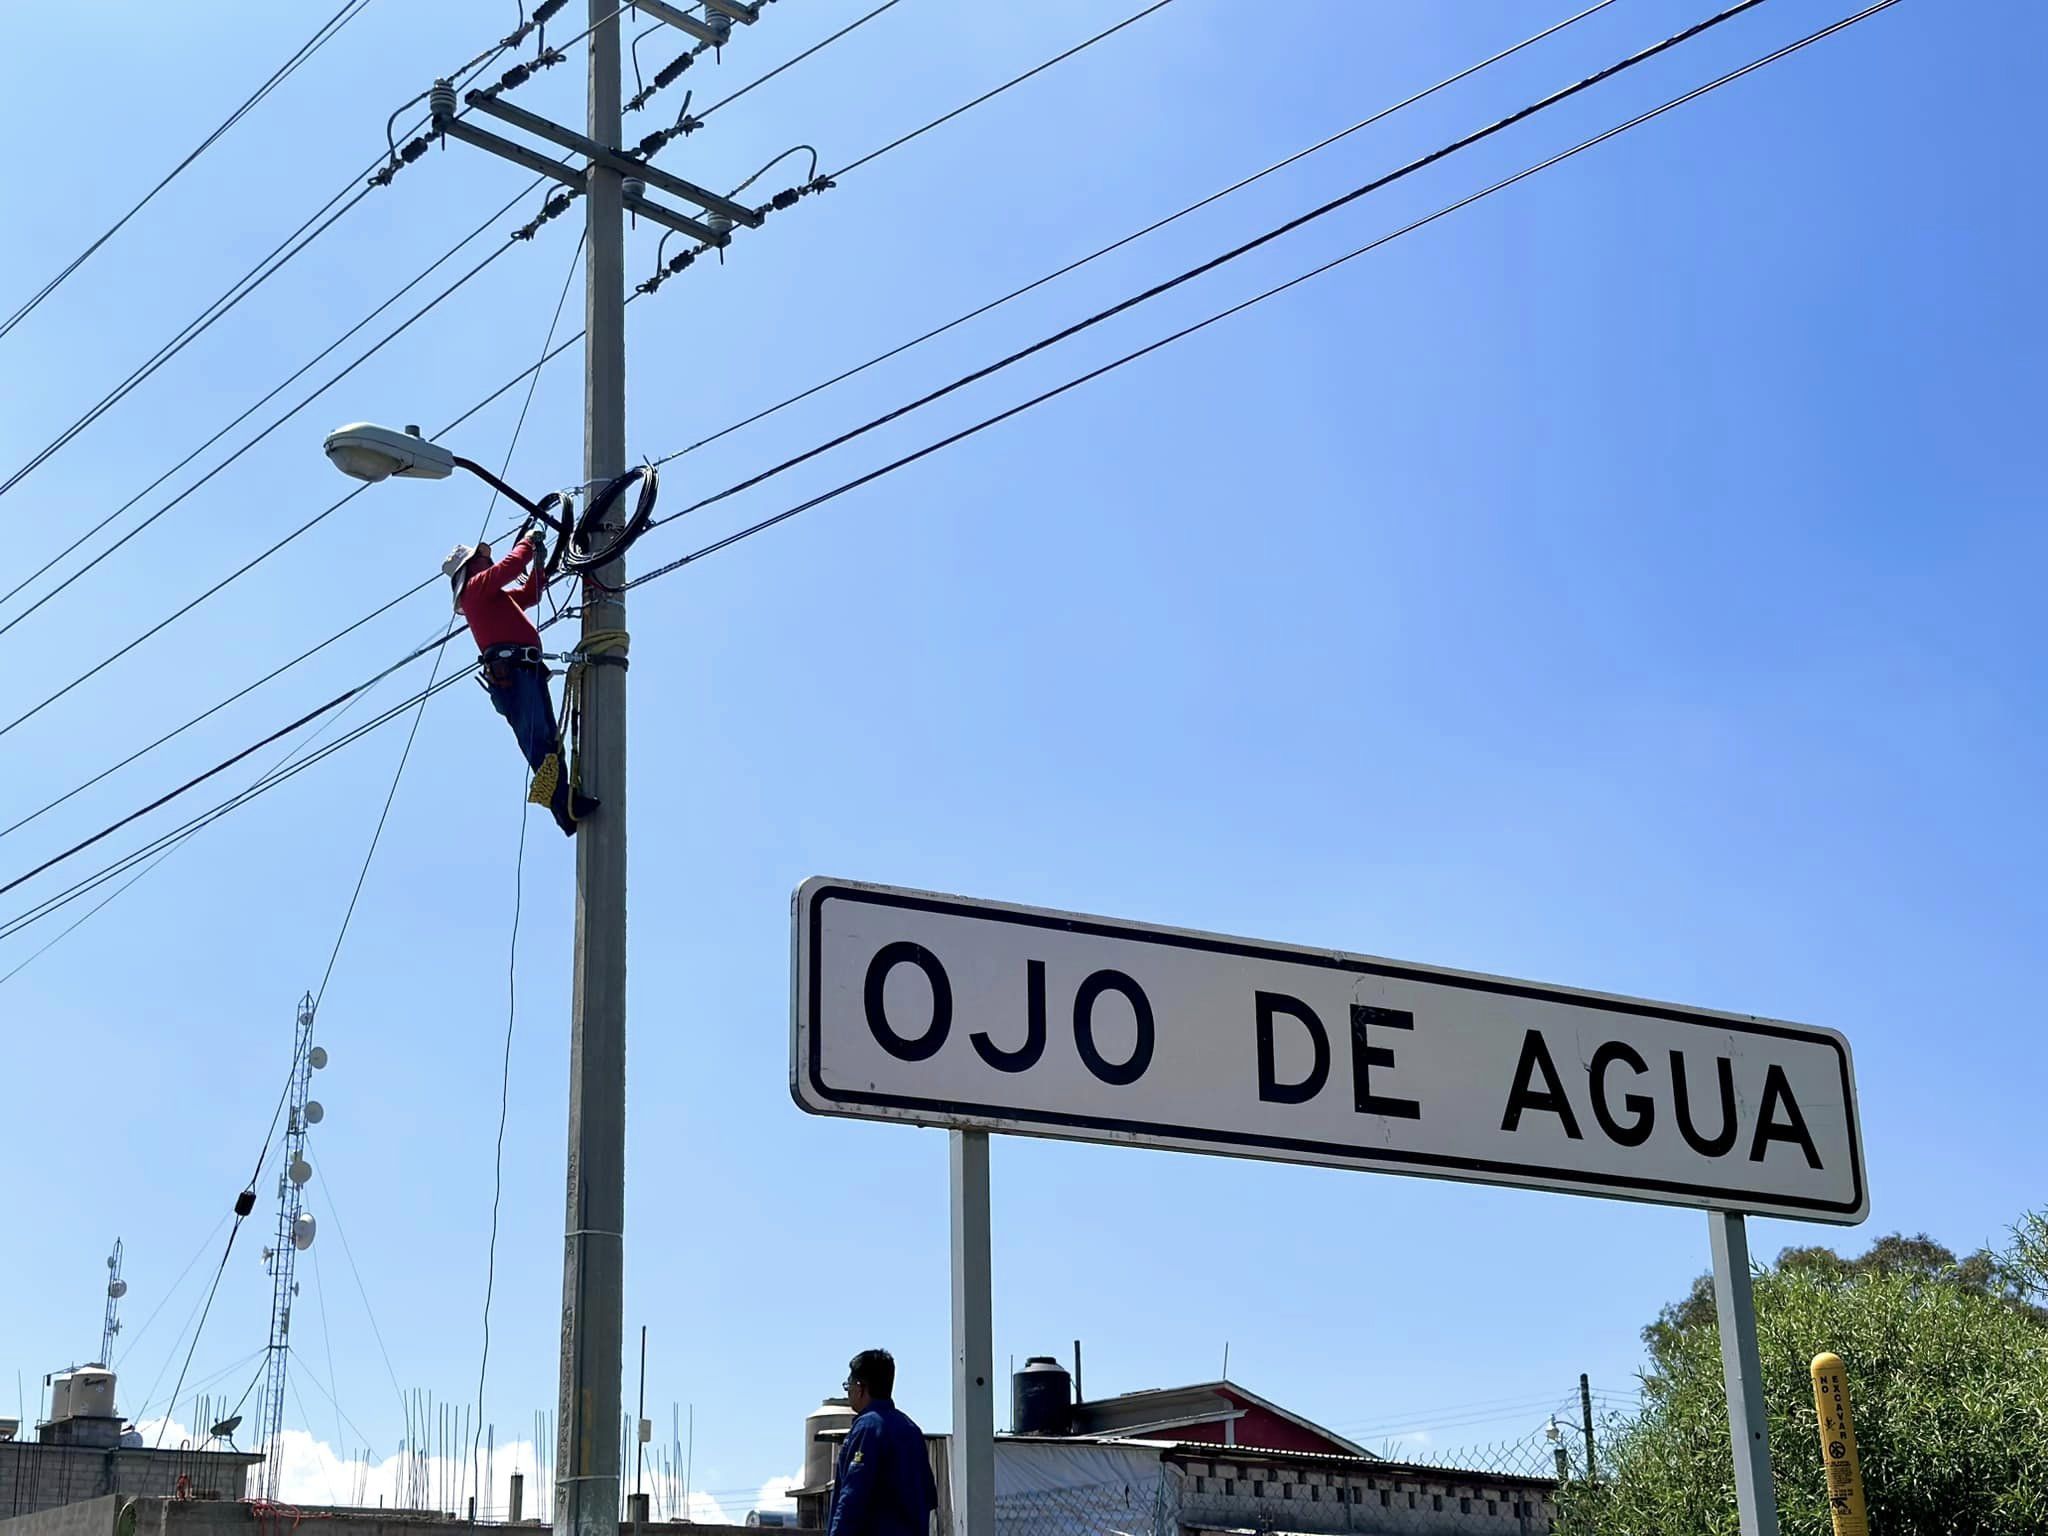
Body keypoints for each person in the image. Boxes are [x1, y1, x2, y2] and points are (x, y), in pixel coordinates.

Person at [444, 527, 598, 836]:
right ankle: (564, 808)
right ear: (469, 568)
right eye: (481, 560)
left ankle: (566, 806)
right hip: (512, 674)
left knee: (548, 740)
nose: (487, 563)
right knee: (540, 740)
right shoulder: (475, 590)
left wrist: (538, 562)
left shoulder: (492, 597)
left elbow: (530, 593)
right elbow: (510, 567)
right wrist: (529, 542)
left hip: (524, 671)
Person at [828, 1349, 936, 1536]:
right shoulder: (911, 1429)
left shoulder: (867, 1428)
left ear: (861, 1387)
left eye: (849, 1385)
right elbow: (928, 1498)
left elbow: (853, 1497)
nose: (849, 1392)